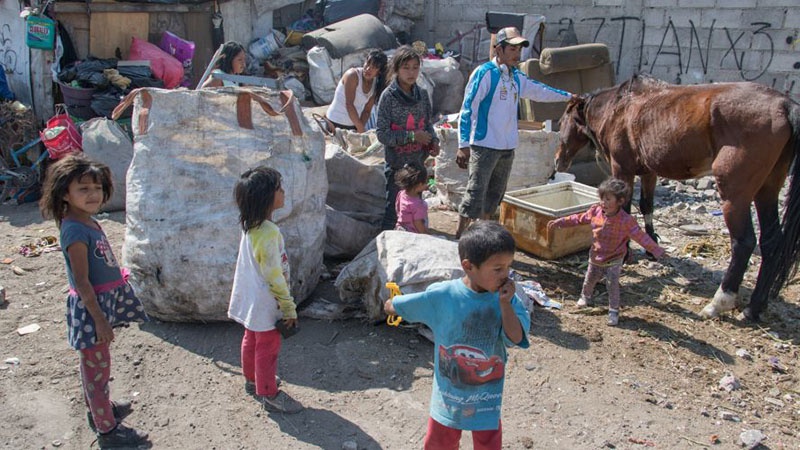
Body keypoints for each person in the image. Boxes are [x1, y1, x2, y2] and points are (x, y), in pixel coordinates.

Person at [384, 221, 530, 449]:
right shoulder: (444, 295)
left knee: (489, 444)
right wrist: (392, 305)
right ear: (469, 266)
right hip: (448, 399)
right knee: (440, 442)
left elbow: (516, 338)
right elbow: (409, 304)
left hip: (487, 399)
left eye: (508, 267)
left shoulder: (508, 299)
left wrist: (505, 305)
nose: (506, 275)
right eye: (498, 269)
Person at [38, 154, 149, 448]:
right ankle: (107, 430)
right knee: (96, 372)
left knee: (97, 366)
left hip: (99, 305)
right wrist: (100, 319)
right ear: (65, 193)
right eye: (83, 189)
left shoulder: (86, 221)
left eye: (97, 188)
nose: (93, 194)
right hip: (92, 310)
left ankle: (100, 411)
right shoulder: (74, 229)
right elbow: (82, 281)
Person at [456, 27, 573, 238]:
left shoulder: (515, 77)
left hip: (507, 147)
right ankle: (461, 235)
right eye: (512, 48)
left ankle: (482, 235)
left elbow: (540, 91)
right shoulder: (484, 73)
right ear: (498, 50)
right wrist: (463, 144)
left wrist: (570, 97)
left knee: (495, 194)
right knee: (475, 192)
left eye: (519, 49)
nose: (516, 54)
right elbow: (467, 108)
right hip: (484, 144)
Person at [228, 166, 304, 414]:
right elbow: (274, 276)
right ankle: (269, 392)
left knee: (251, 338)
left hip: (250, 298)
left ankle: (253, 380)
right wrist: (288, 306)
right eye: (279, 189)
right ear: (267, 198)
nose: (283, 192)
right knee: (268, 347)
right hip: (267, 301)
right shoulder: (269, 233)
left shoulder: (250, 225)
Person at [547, 178, 666, 326]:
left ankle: (613, 310)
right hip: (596, 256)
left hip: (615, 258)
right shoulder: (595, 211)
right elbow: (578, 219)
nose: (604, 202)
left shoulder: (626, 221)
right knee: (590, 278)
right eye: (602, 198)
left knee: (612, 284)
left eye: (608, 199)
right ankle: (585, 296)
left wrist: (657, 250)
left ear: (620, 201)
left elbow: (641, 237)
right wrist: (560, 222)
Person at [376, 45, 440, 230]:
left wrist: (433, 141)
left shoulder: (422, 95)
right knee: (394, 214)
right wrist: (412, 136)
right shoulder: (388, 97)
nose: (411, 72)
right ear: (396, 69)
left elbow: (427, 124)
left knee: (415, 214)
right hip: (398, 169)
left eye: (415, 67)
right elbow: (382, 134)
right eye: (406, 67)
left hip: (417, 167)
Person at [324, 49, 388, 133]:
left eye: (374, 67)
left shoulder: (376, 84)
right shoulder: (352, 75)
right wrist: (361, 129)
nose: (368, 69)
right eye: (368, 63)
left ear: (379, 72)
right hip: (334, 123)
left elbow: (367, 111)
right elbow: (349, 104)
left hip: (353, 126)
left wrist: (359, 128)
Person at [394, 162, 429, 233]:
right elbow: (418, 223)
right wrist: (426, 235)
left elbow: (397, 207)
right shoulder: (418, 204)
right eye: (425, 182)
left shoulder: (401, 193)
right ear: (419, 184)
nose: (427, 184)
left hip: (401, 228)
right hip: (413, 233)